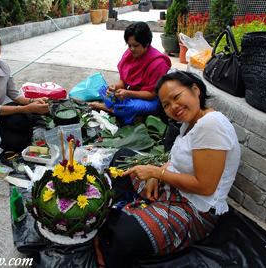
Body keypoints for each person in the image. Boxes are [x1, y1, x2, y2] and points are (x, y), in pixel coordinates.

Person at [98, 71, 241, 267]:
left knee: (123, 237)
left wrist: (157, 172)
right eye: (166, 104)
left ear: (195, 90)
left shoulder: (210, 125)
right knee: (123, 156)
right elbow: (177, 160)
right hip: (175, 187)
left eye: (176, 97)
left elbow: (205, 187)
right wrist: (156, 175)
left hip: (195, 208)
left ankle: (138, 212)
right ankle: (132, 205)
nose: (173, 107)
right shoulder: (191, 123)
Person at [89, 22, 171, 124]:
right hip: (132, 94)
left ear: (147, 44)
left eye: (136, 45)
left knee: (130, 107)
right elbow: (123, 81)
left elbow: (152, 94)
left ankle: (109, 108)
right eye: (129, 45)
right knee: (103, 90)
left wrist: (128, 93)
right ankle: (120, 110)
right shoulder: (129, 55)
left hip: (152, 100)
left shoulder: (158, 64)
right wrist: (115, 87)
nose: (131, 49)